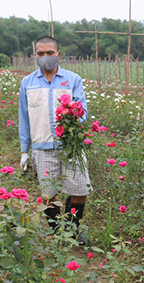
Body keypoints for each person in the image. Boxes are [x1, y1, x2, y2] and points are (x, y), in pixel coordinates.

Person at [18, 36, 92, 240]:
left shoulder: (73, 79)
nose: (45, 57)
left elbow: (83, 112)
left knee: (79, 189)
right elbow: (24, 118)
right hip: (42, 146)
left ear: (58, 55)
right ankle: (56, 232)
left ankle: (71, 230)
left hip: (70, 146)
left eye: (50, 53)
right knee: (48, 194)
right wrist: (24, 151)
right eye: (40, 54)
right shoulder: (28, 83)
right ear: (35, 56)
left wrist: (73, 113)